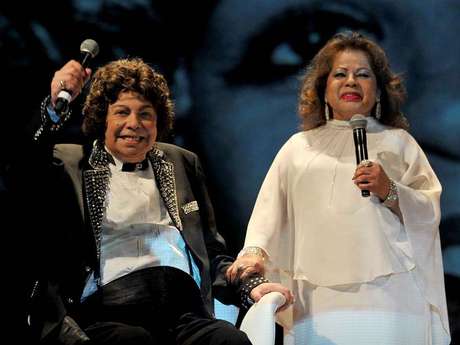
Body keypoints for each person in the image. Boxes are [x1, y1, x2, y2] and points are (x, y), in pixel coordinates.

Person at [22, 57, 292, 345]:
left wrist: (248, 285)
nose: (134, 124)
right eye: (122, 112)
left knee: (229, 340)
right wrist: (52, 109)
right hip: (107, 314)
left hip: (183, 311)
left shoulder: (182, 163)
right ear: (103, 118)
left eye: (145, 114)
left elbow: (210, 253)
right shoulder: (70, 162)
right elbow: (21, 169)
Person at [227, 32, 451, 344]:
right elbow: (269, 210)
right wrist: (254, 253)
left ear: (379, 89)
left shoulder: (399, 143)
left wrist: (390, 189)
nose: (351, 82)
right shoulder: (298, 147)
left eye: (363, 74)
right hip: (316, 297)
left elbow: (428, 212)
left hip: (392, 292)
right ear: (323, 87)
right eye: (340, 74)